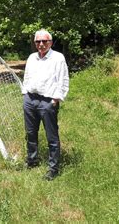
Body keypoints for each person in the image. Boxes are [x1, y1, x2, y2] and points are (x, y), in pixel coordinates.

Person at [22, 29, 69, 181]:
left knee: (51, 136)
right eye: (38, 41)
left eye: (44, 41)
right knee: (30, 133)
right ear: (35, 43)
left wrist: (55, 100)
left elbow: (63, 80)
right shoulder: (31, 57)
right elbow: (27, 76)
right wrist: (25, 94)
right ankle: (32, 160)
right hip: (30, 99)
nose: (41, 44)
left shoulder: (58, 58)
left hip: (48, 101)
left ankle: (53, 168)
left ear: (50, 42)